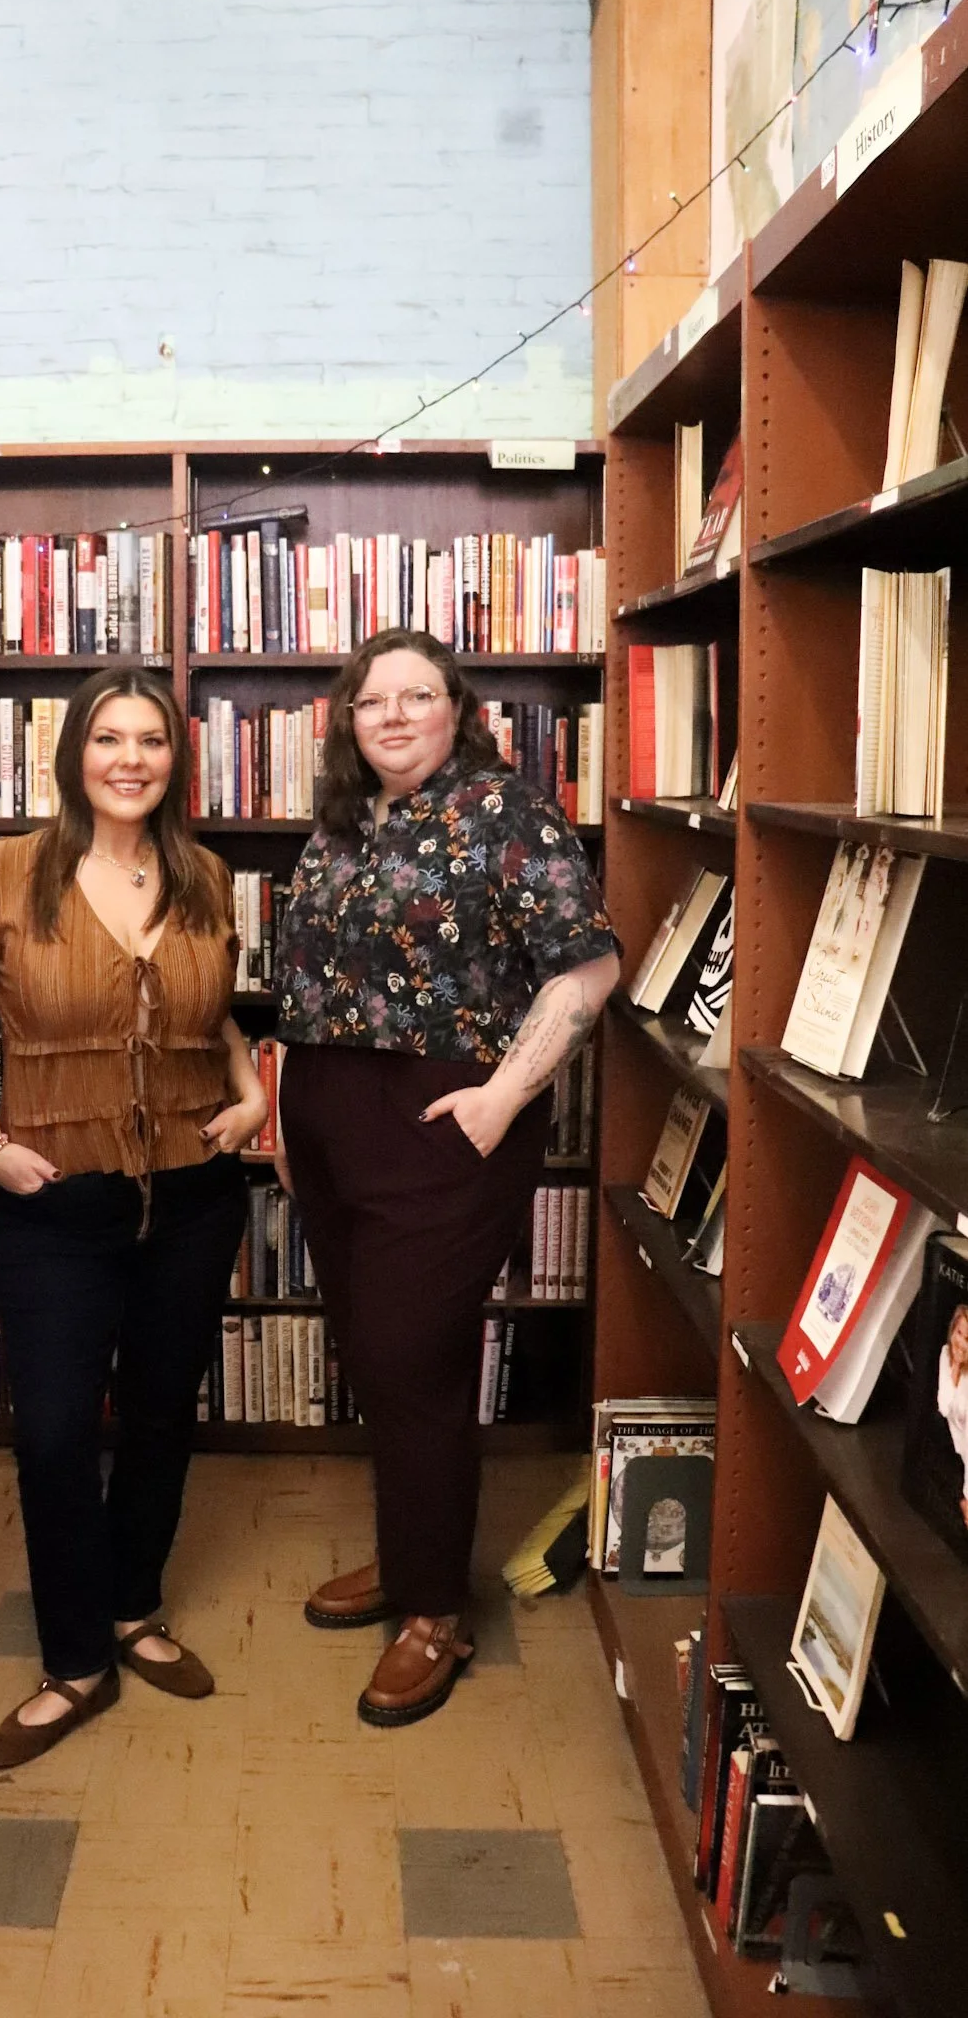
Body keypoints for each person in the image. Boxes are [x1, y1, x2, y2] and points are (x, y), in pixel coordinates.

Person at [274, 628, 619, 1727]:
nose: (393, 714)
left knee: (414, 1353)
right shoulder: (341, 822)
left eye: (417, 694)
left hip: (446, 1115)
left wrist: (504, 1096)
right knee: (375, 1351)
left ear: (456, 708)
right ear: (349, 719)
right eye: (372, 699)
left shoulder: (506, 812)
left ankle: (436, 1610)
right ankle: (406, 1552)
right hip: (331, 1114)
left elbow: (589, 961)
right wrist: (288, 1099)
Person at [0, 669, 266, 1768]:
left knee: (164, 1415)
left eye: (152, 740)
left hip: (192, 1194)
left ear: (176, 758)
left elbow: (204, 1015)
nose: (131, 757)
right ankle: (75, 1660)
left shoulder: (206, 873)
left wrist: (252, 1086)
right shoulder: (6, 870)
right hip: (53, 1198)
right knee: (58, 1431)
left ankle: (133, 1608)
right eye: (109, 737)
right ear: (76, 751)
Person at [937, 1302, 968, 1530]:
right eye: (959, 1333)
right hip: (957, 1436)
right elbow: (945, 1406)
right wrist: (956, 1366)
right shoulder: (946, 1354)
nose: (962, 1343)